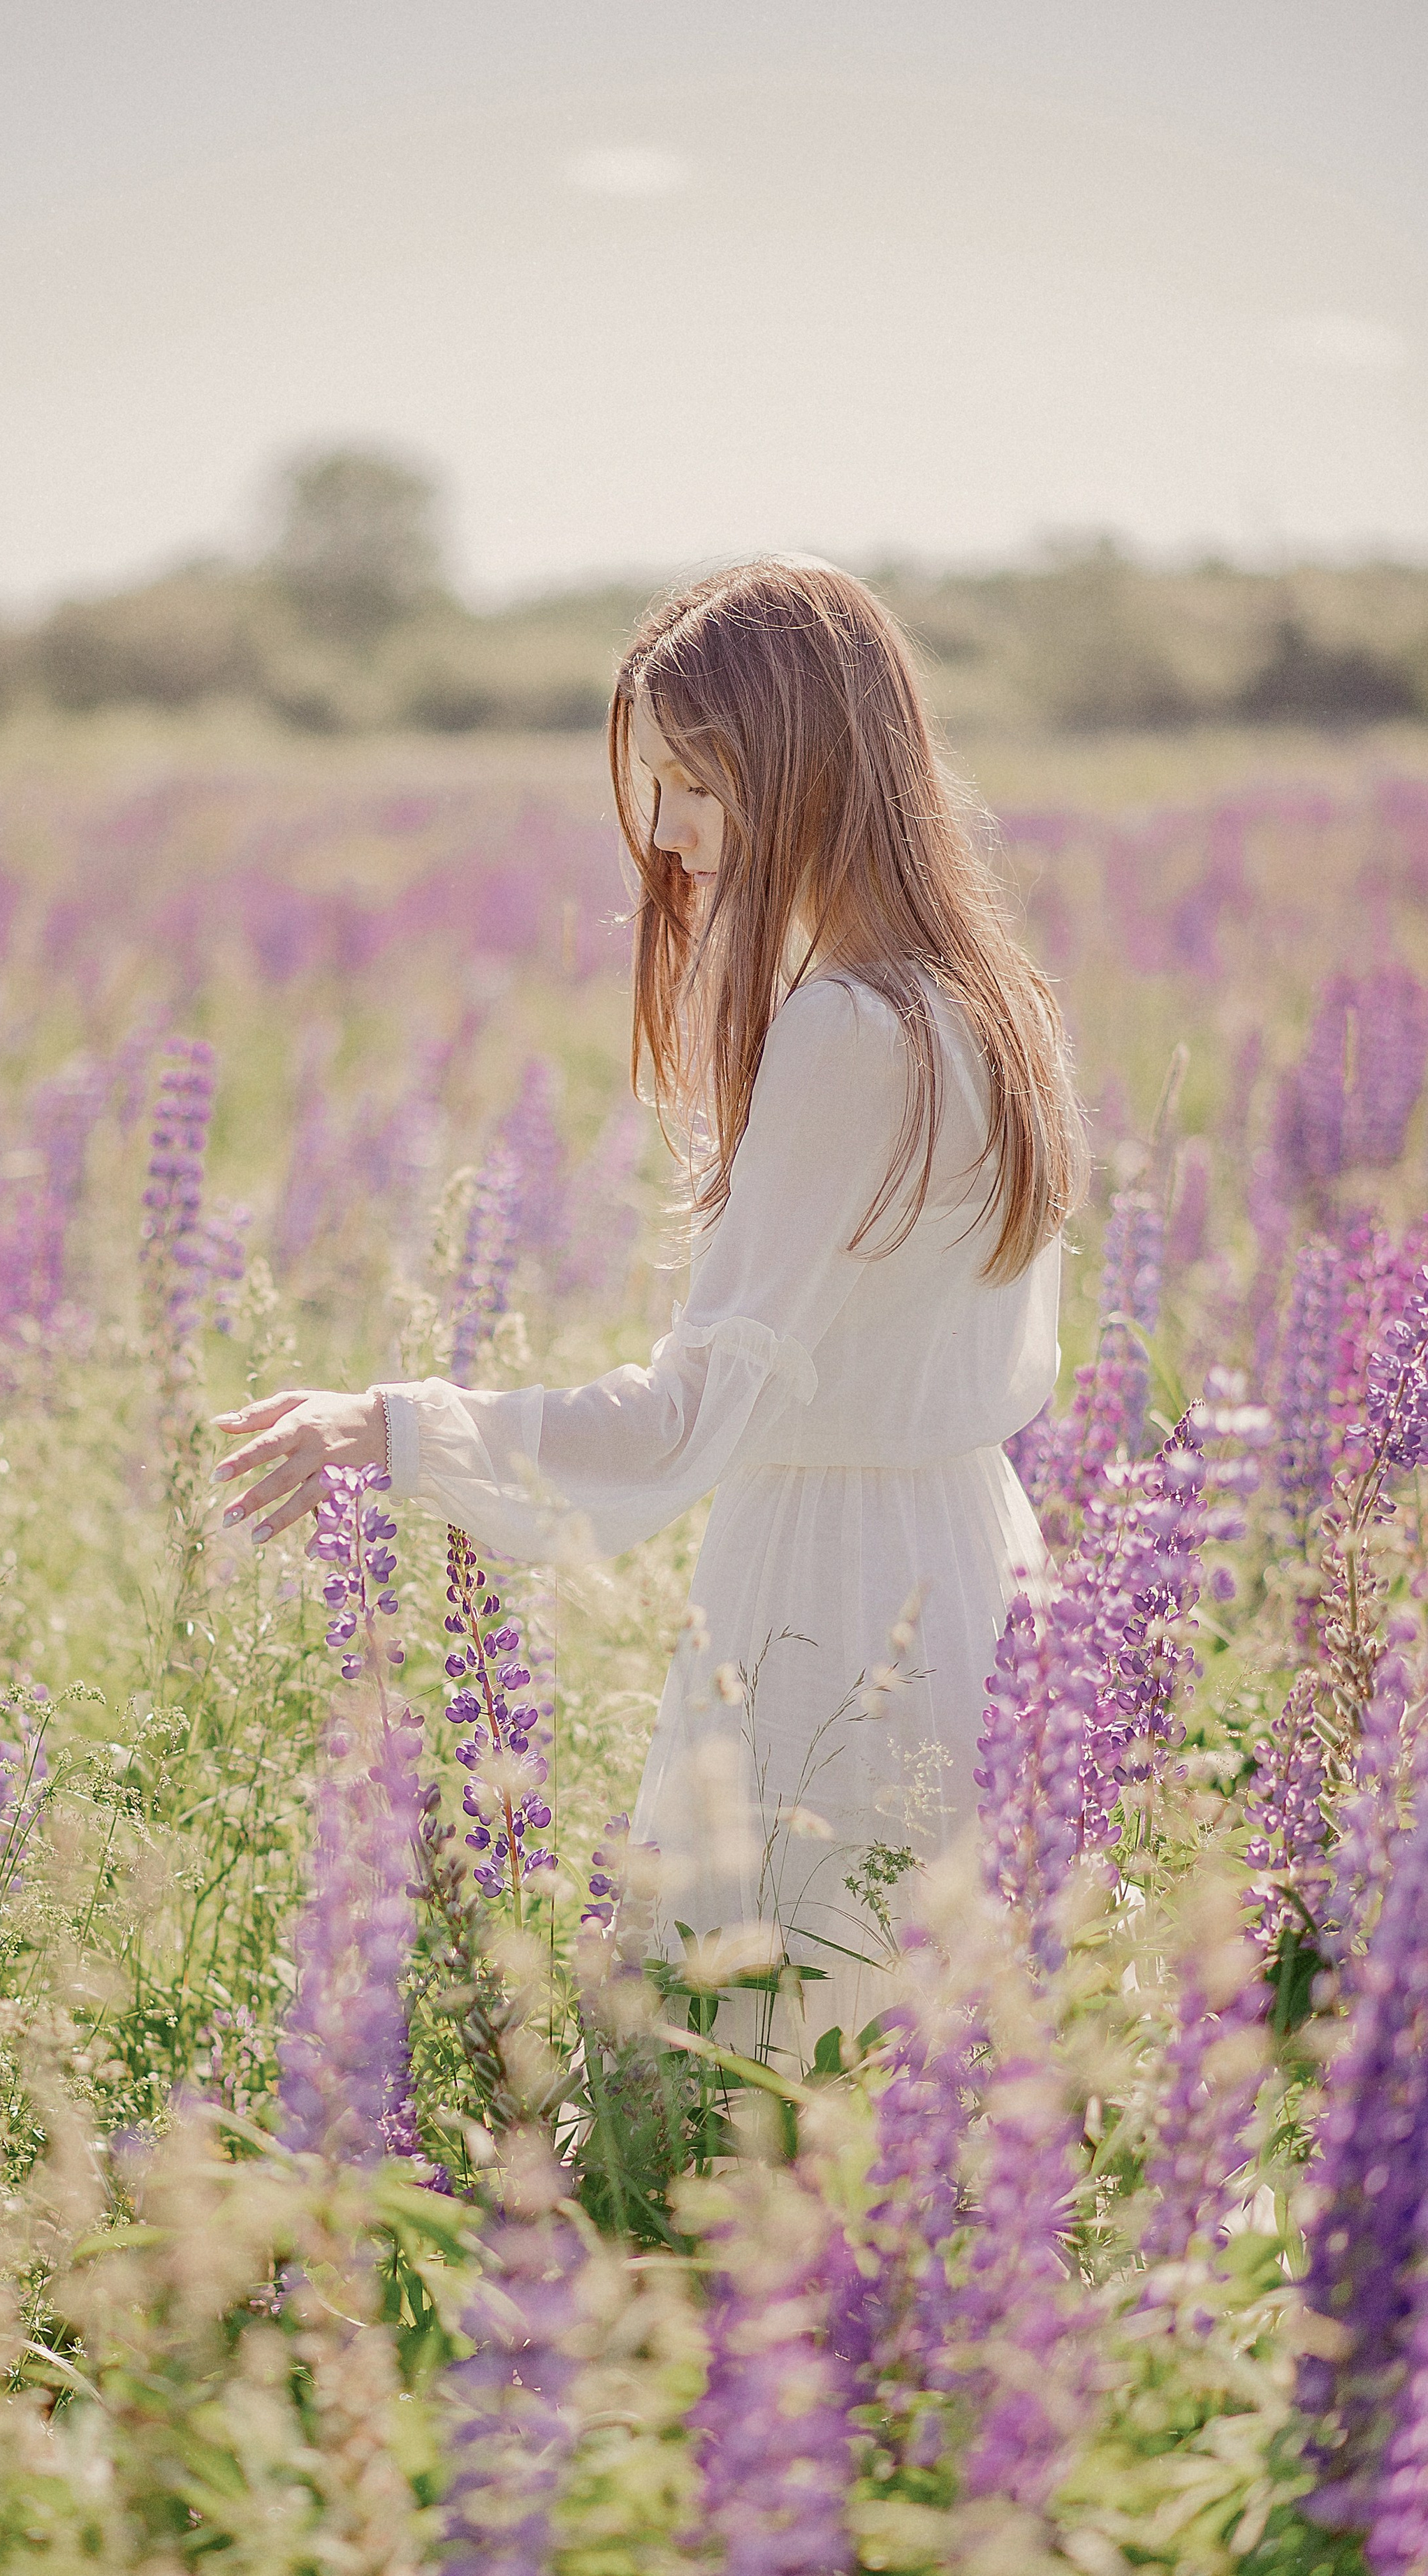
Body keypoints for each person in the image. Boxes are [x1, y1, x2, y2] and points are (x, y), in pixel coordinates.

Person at [212, 557, 1084, 2037]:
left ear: (802, 767)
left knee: (741, 2089)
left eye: (695, 784)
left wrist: (392, 1425)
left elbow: (685, 1423)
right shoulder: (988, 1001)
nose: (668, 836)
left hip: (827, 1608)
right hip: (980, 1579)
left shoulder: (843, 1030)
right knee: (929, 2098)